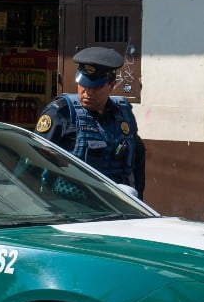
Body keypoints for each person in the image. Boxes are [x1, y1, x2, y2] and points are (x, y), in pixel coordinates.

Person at [35, 46, 145, 198]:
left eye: (95, 87)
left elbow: (137, 161)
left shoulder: (124, 115)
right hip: (69, 205)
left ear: (111, 84)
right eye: (83, 85)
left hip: (115, 204)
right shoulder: (61, 113)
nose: (87, 93)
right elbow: (33, 160)